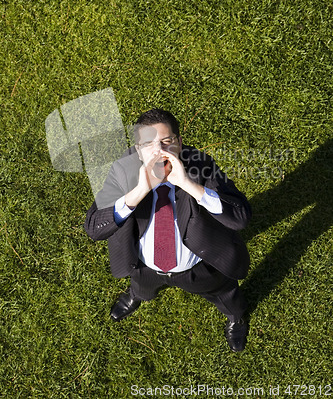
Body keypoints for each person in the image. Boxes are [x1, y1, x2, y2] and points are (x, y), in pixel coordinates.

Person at [84, 108, 251, 352]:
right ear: (138, 150)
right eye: (148, 144)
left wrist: (188, 184)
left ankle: (236, 317)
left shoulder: (200, 165)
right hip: (145, 266)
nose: (159, 150)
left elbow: (240, 217)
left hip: (198, 265)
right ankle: (136, 296)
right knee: (142, 287)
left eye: (166, 141)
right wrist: (139, 191)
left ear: (179, 143)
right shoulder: (123, 171)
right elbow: (94, 227)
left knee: (225, 293)